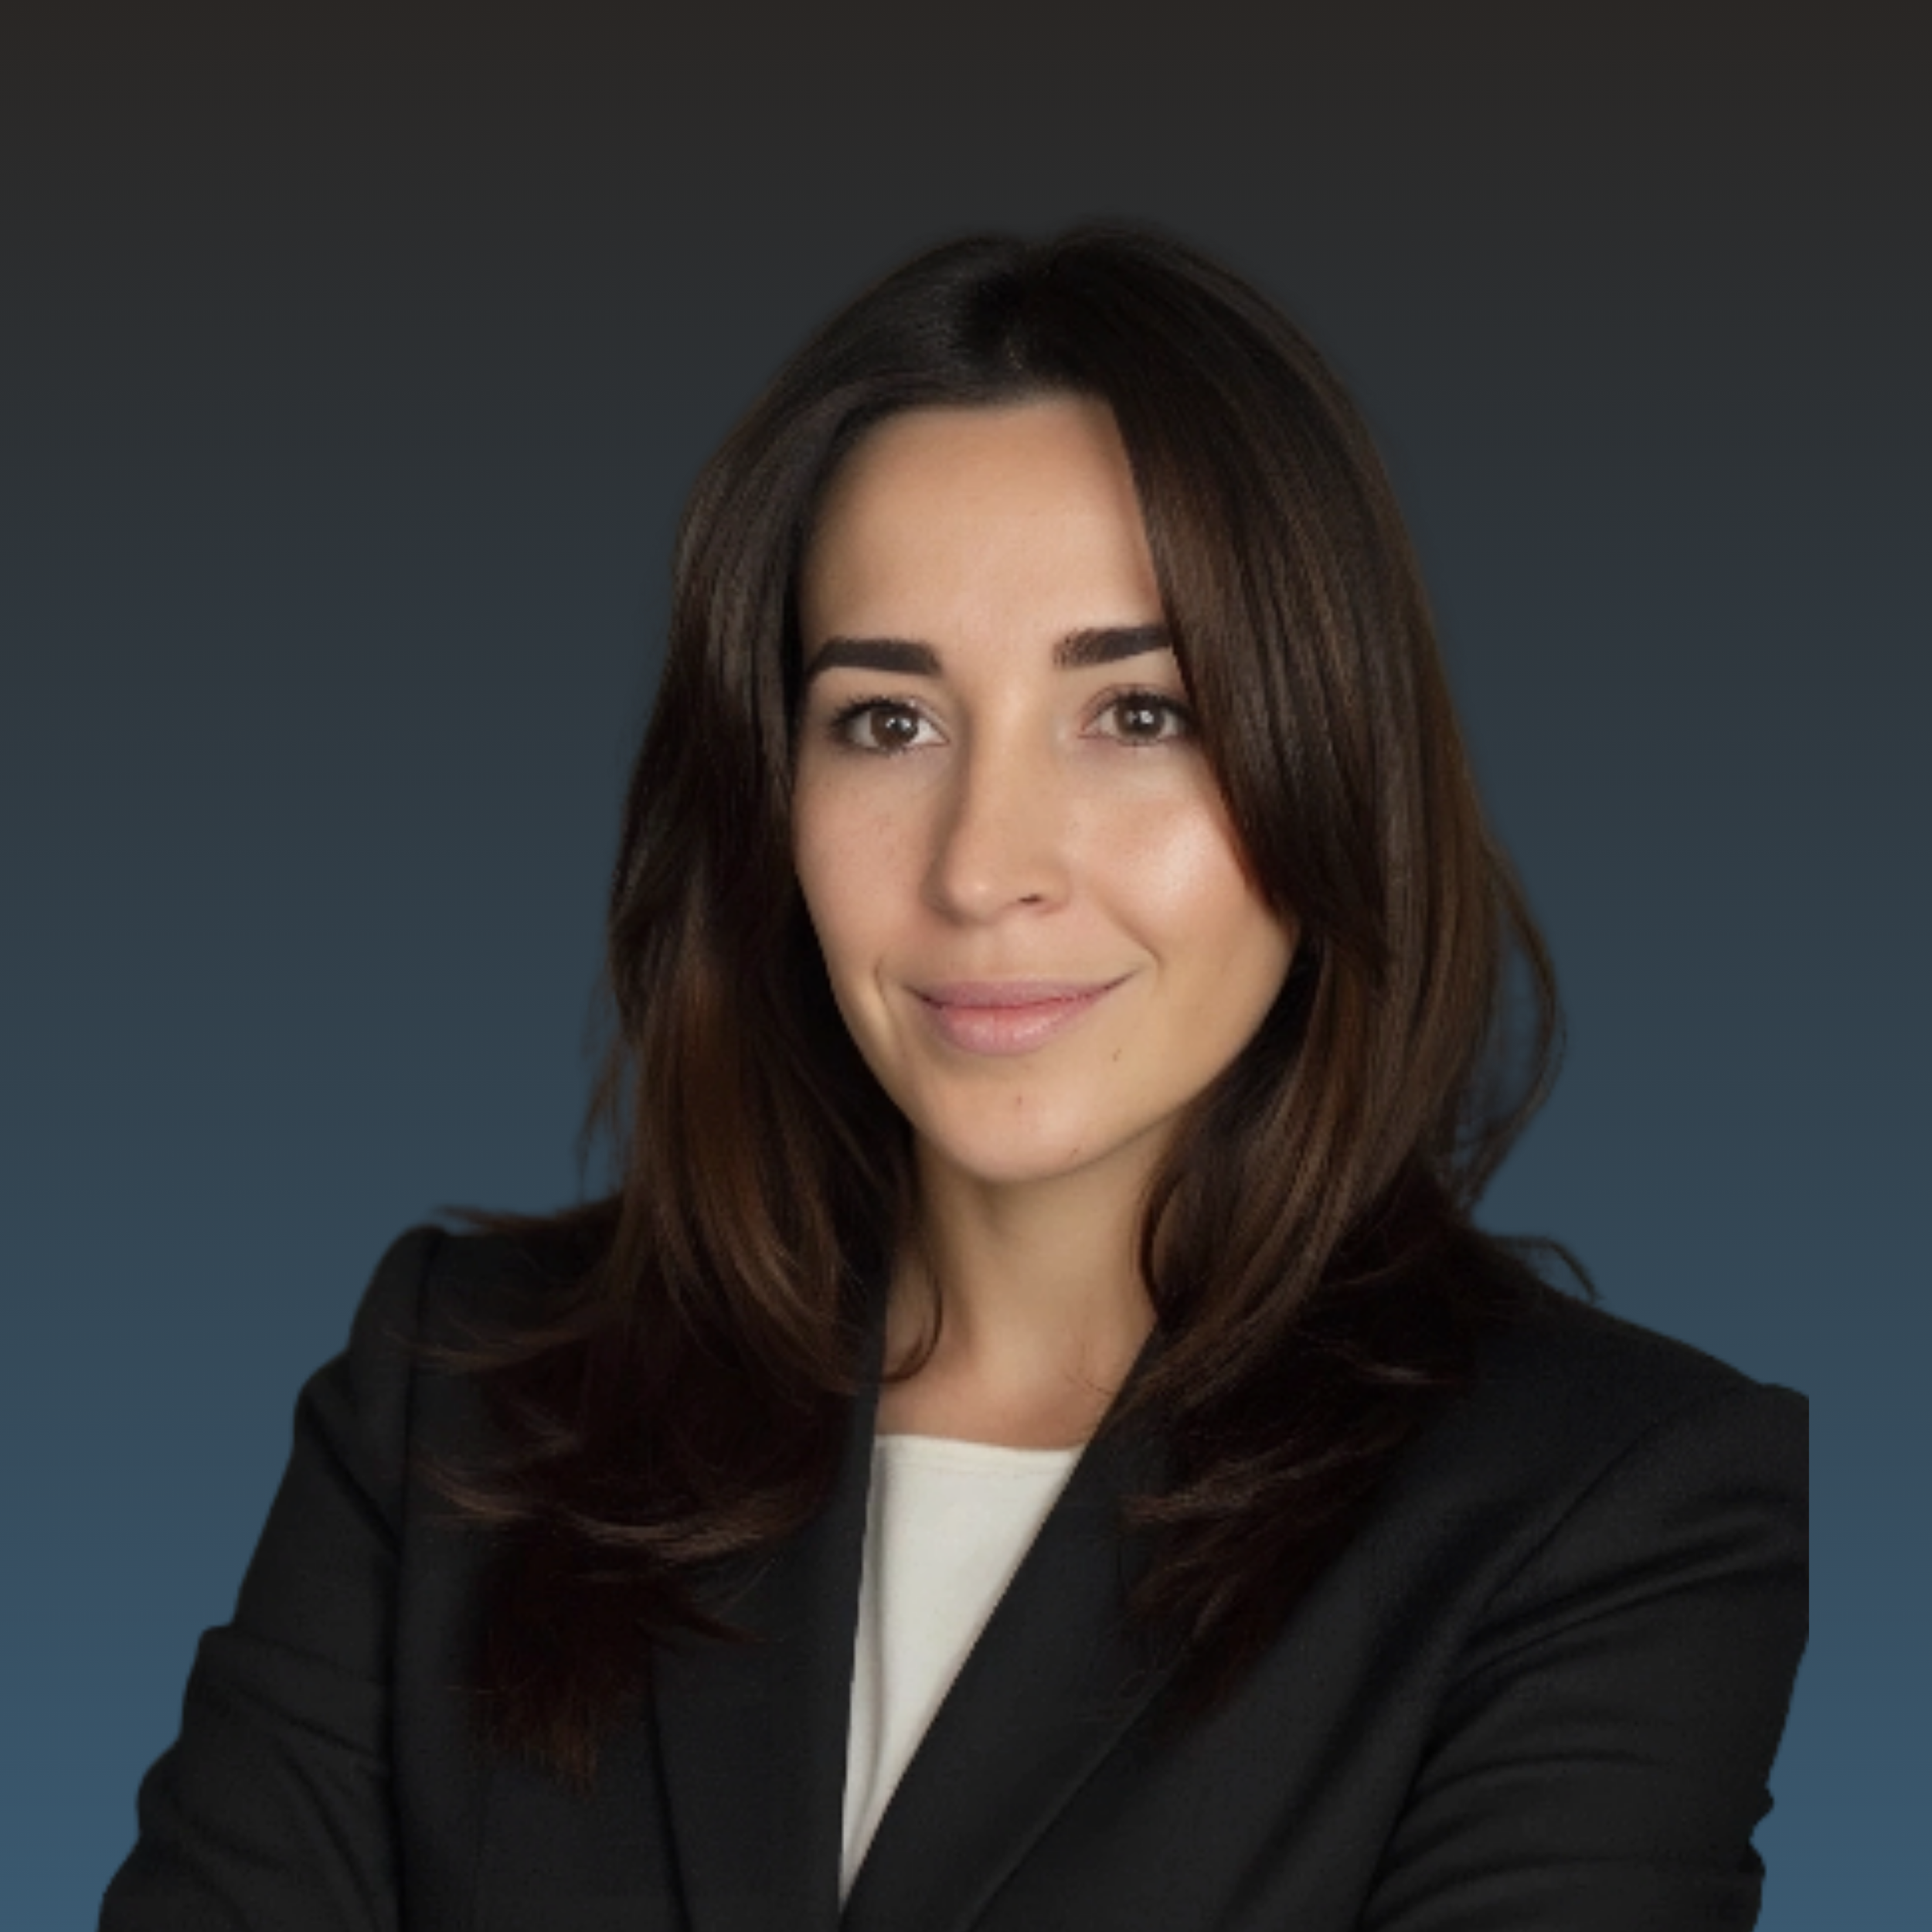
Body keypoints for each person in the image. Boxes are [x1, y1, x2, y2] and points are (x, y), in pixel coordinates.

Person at [101, 225, 1808, 1931]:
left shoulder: (1601, 1509)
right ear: (765, 798)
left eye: (1135, 713)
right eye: (886, 721)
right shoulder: (455, 1400)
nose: (984, 864)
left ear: (1325, 763)